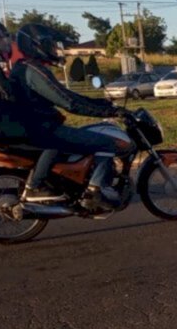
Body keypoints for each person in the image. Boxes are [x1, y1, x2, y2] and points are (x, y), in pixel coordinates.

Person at [9, 24, 122, 205]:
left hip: (36, 126)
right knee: (107, 143)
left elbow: (66, 95)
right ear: (36, 45)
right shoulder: (34, 71)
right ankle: (95, 192)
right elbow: (67, 101)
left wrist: (99, 103)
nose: (55, 49)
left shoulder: (24, 68)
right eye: (50, 45)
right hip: (44, 129)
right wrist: (106, 111)